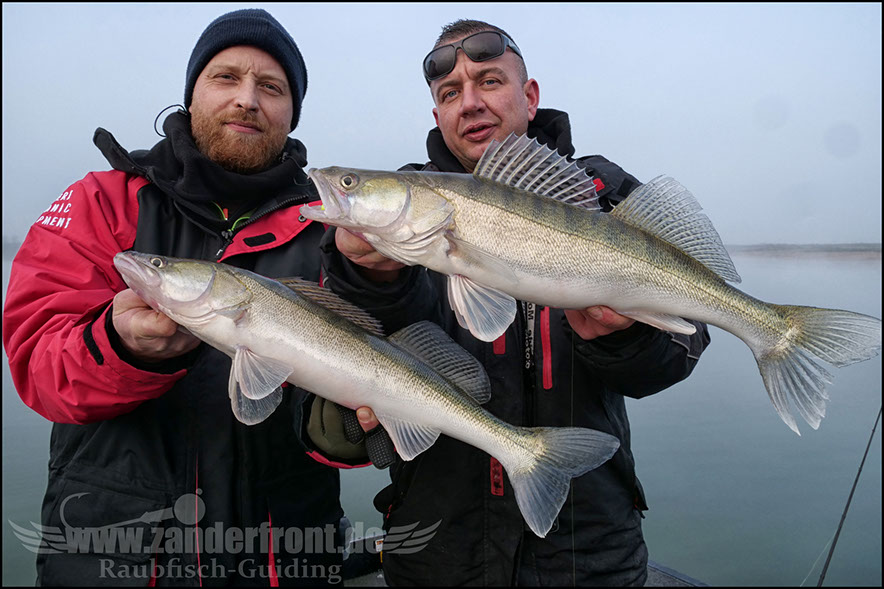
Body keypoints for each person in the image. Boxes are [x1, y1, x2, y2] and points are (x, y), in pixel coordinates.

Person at [319, 19, 712, 586]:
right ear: (437, 117)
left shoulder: (604, 194)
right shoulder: (405, 211)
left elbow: (681, 349)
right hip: (438, 553)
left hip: (591, 553)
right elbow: (351, 342)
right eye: (449, 93)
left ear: (529, 96)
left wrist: (625, 337)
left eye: (489, 81)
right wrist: (364, 277)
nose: (470, 102)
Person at [3, 9, 371, 586]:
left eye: (271, 87)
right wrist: (123, 348)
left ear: (291, 113)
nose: (248, 99)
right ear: (191, 95)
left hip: (287, 562)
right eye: (225, 77)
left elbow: (347, 418)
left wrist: (346, 431)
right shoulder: (102, 201)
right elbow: (36, 364)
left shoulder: (332, 232)